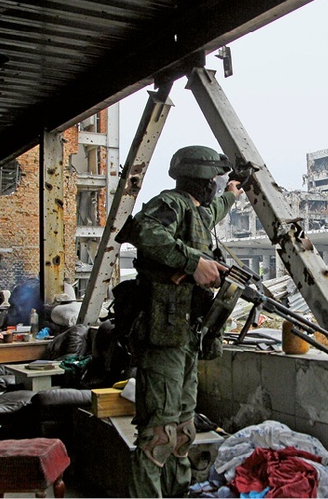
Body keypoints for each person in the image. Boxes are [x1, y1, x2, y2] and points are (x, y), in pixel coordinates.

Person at [116, 145, 244, 497]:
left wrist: (233, 194)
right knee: (159, 434)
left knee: (184, 429)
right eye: (215, 180)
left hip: (186, 332)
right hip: (163, 329)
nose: (216, 186)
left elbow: (214, 210)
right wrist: (193, 263)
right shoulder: (170, 203)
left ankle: (178, 491)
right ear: (202, 178)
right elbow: (146, 232)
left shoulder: (197, 211)